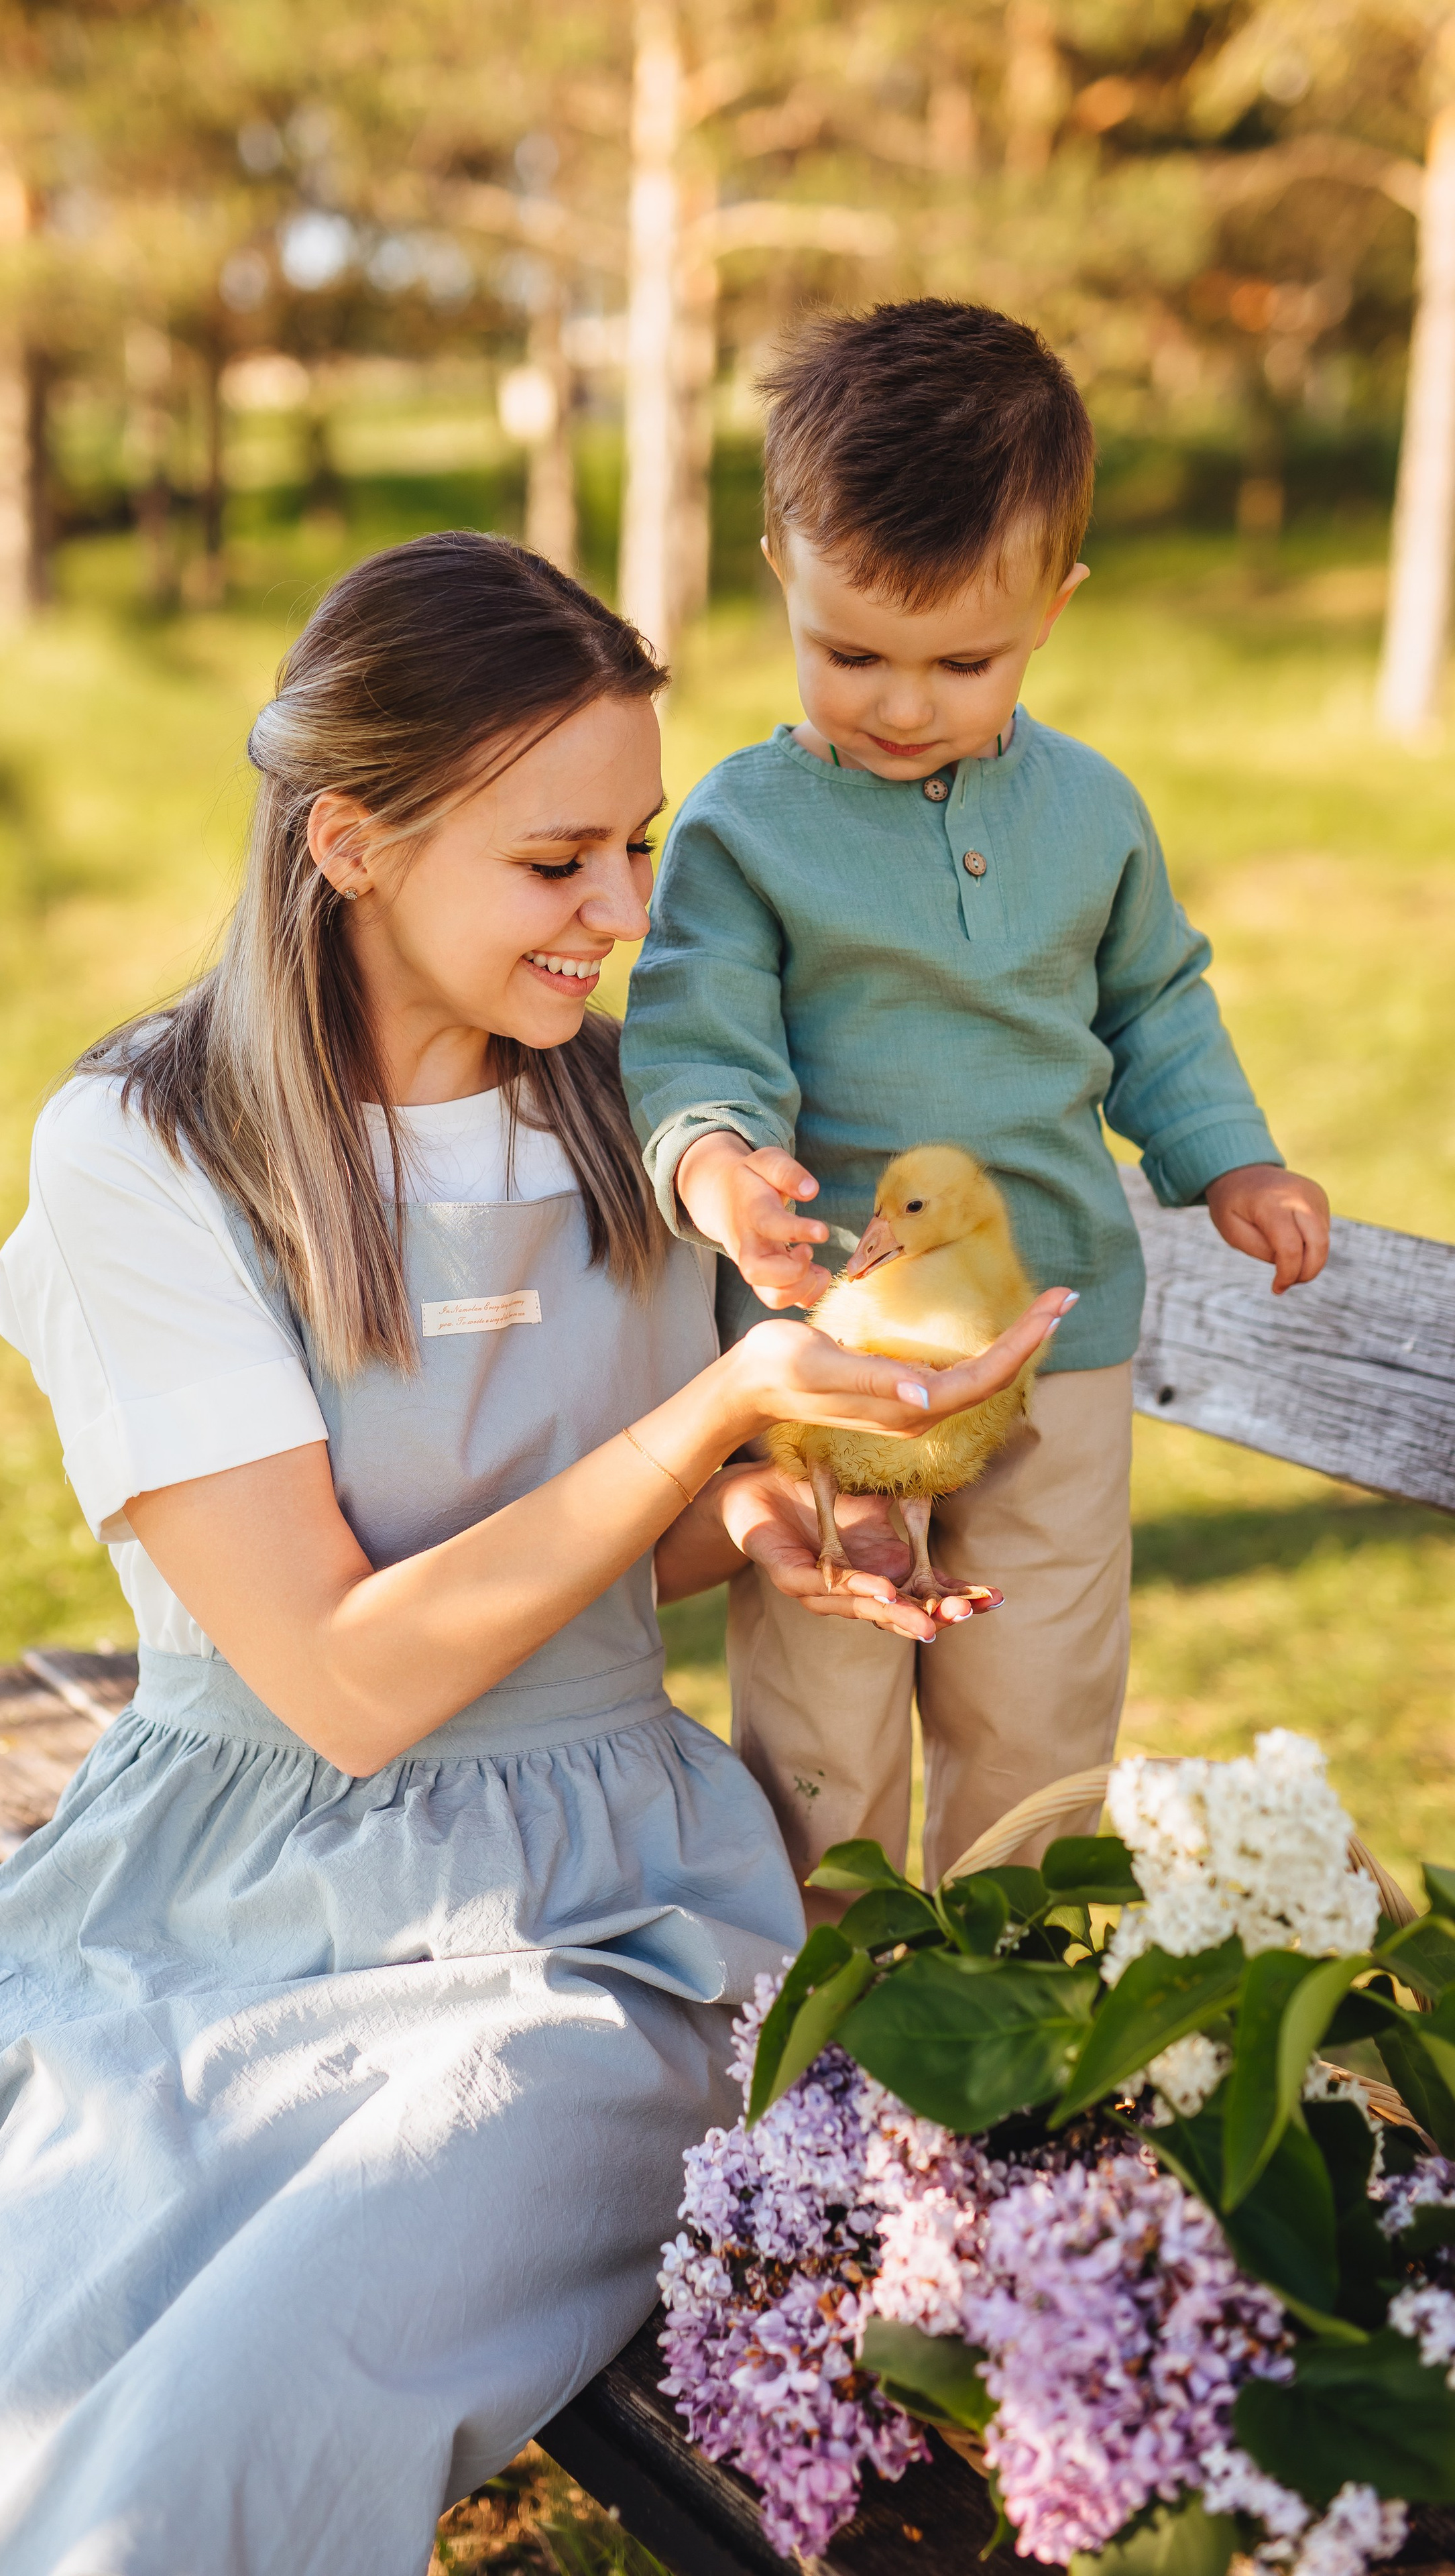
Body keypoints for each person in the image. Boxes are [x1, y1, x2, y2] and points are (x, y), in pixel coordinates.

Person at [0, 531, 1070, 2576]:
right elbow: (349, 1677)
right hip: (230, 1896)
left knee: (252, 2391)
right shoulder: (153, 1150)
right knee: (64, 2370)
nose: (624, 912)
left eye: (638, 846)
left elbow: (609, 1546)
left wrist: (774, 1508)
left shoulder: (635, 1124)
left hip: (602, 1922)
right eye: (558, 864)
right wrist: (711, 1416)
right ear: (350, 841)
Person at [620, 300, 1331, 1899]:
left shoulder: (1089, 814)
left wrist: (1230, 1157)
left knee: (1036, 1706)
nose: (897, 703)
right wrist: (721, 1167)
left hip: (1056, 1345)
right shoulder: (744, 826)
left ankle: (1006, 1991)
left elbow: (1152, 1002)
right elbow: (694, 1031)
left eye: (963, 661)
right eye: (848, 650)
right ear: (778, 579)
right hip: (841, 1351)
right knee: (824, 1707)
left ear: (1052, 610)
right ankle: (826, 2011)